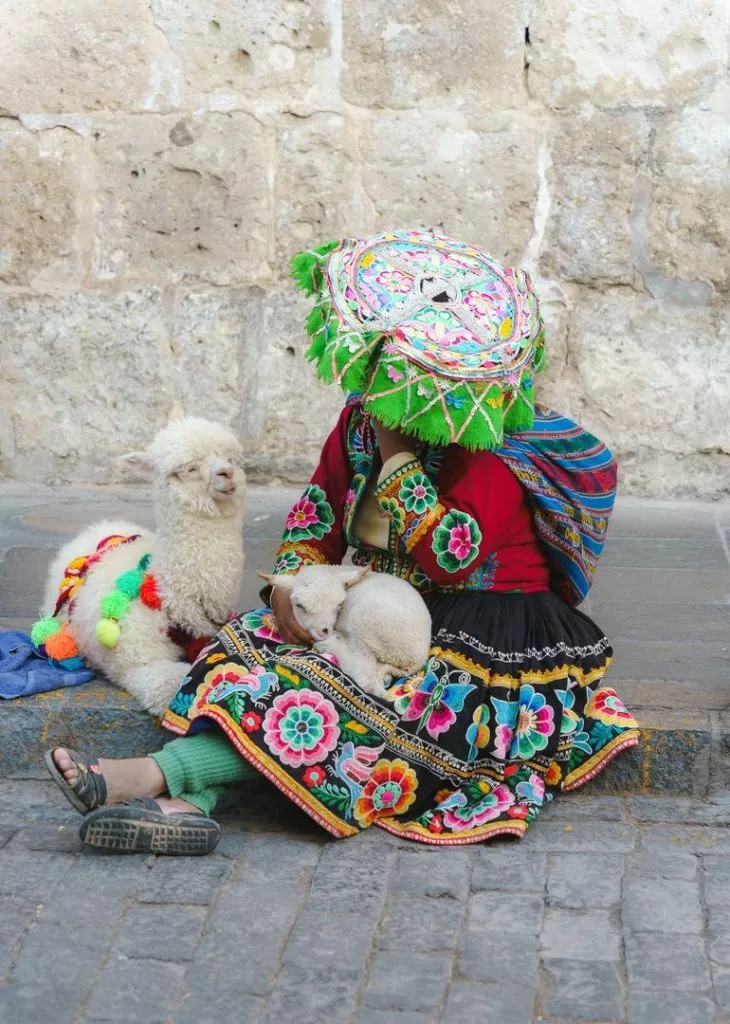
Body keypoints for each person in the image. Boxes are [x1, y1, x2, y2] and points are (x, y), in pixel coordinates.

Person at [45, 230, 639, 854]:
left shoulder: (491, 445)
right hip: (379, 599)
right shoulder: (360, 419)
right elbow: (317, 514)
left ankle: (156, 780)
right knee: (249, 647)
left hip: (486, 627)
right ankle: (186, 803)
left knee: (362, 706)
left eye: (404, 366)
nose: (386, 375)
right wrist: (288, 584)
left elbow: (450, 553)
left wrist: (396, 455)